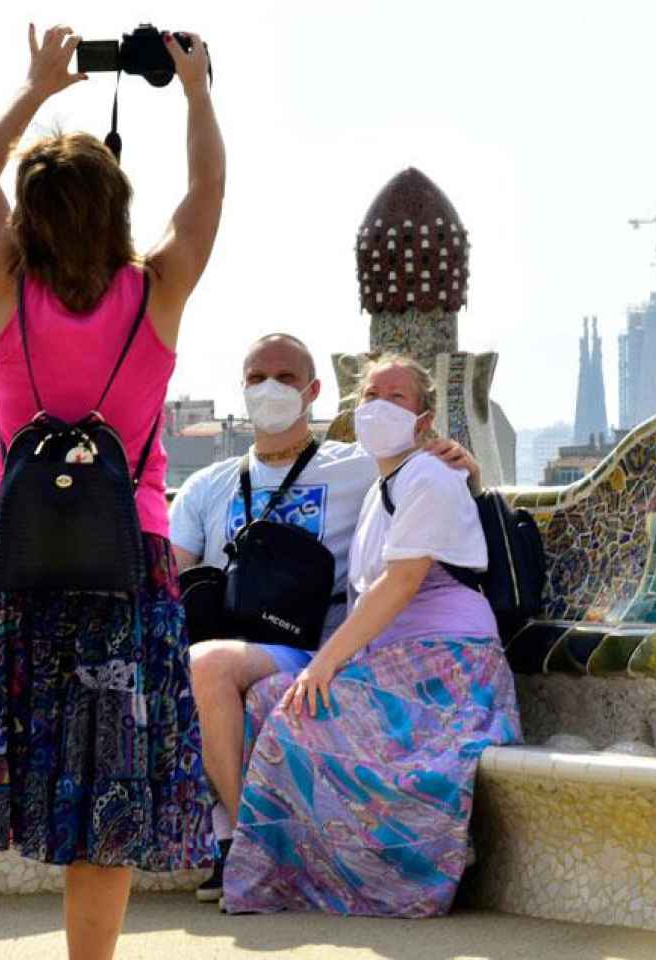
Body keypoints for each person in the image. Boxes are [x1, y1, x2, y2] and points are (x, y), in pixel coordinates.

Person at [0, 24, 222, 960]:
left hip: (11, 567)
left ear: (31, 218)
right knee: (104, 814)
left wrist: (40, 86)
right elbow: (206, 195)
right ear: (117, 209)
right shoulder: (157, 294)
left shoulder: (9, 288)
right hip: (124, 575)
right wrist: (197, 92)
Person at [169, 334, 480, 902]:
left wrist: (468, 467)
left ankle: (245, 846)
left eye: (286, 378)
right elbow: (168, 576)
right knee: (200, 664)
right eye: (257, 376)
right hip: (237, 640)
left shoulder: (359, 467)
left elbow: (427, 496)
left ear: (314, 391)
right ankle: (242, 840)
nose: (271, 388)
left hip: (316, 646)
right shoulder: (204, 487)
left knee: (207, 667)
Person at [221, 355, 522, 918]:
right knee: (265, 699)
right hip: (396, 659)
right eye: (369, 396)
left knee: (296, 708)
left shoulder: (429, 475)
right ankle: (294, 872)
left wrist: (323, 664)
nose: (379, 407)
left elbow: (402, 581)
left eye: (397, 398)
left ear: (424, 419)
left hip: (447, 666)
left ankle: (379, 881)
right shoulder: (379, 487)